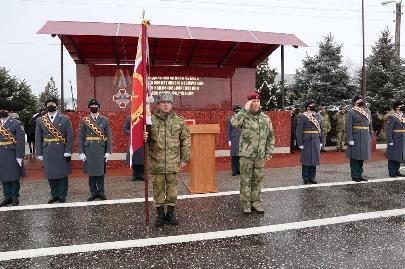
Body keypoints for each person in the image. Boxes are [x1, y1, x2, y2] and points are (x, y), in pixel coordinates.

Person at [145, 92, 191, 227]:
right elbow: (144, 140)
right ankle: (160, 215)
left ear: (172, 104)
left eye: (169, 102)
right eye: (163, 102)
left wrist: (184, 159)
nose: (166, 105)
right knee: (158, 189)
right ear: (158, 104)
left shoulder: (179, 121)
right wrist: (144, 136)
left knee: (172, 190)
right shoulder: (150, 120)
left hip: (173, 162)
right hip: (156, 162)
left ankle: (170, 214)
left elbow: (186, 140)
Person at [231, 92, 275, 214]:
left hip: (260, 155)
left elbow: (270, 136)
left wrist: (269, 151)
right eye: (253, 102)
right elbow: (234, 123)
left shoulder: (265, 118)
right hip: (246, 155)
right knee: (246, 179)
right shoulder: (244, 116)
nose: (256, 104)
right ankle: (246, 204)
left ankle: (256, 202)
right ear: (249, 103)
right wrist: (244, 110)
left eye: (257, 102)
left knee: (257, 180)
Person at [35, 96, 73, 203]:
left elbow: (70, 136)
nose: (51, 105)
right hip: (47, 150)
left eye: (53, 103)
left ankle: (62, 195)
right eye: (48, 103)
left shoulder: (65, 119)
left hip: (61, 149)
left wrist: (68, 151)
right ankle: (54, 195)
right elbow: (38, 137)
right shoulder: (40, 120)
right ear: (46, 106)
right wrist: (39, 152)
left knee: (62, 173)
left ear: (56, 105)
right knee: (50, 173)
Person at [78, 99, 112, 201]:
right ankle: (93, 192)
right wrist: (81, 152)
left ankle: (101, 192)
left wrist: (108, 151)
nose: (94, 107)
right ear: (89, 108)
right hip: (89, 150)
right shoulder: (85, 120)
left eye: (95, 106)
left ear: (99, 108)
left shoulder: (105, 120)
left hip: (101, 149)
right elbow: (81, 137)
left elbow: (108, 136)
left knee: (100, 172)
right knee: (91, 173)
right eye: (92, 106)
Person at [0, 98, 25, 206]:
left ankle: (15, 196)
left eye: (4, 109)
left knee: (14, 176)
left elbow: (20, 141)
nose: (2, 111)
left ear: (9, 111)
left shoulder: (17, 123)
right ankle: (7, 196)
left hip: (12, 153)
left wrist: (19, 156)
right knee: (3, 176)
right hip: (1, 153)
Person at [346, 95, 372, 182]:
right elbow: (348, 126)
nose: (361, 101)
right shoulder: (351, 112)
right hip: (356, 136)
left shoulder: (367, 111)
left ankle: (360, 174)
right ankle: (355, 176)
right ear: (354, 102)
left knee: (362, 157)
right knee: (354, 157)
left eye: (361, 100)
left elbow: (370, 125)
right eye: (358, 100)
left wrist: (370, 136)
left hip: (365, 136)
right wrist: (350, 139)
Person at [296, 100, 323, 184]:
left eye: (313, 105)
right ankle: (306, 178)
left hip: (316, 139)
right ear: (307, 106)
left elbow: (321, 129)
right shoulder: (303, 116)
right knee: (306, 160)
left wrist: (321, 141)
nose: (313, 106)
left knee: (314, 159)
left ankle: (312, 177)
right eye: (311, 105)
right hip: (306, 140)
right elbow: (299, 130)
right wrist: (300, 143)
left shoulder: (318, 115)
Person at [386, 100, 405, 177]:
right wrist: (390, 140)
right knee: (392, 155)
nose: (403, 106)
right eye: (401, 105)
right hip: (395, 138)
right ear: (397, 108)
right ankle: (392, 172)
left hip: (403, 138)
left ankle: (397, 170)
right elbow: (389, 130)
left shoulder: (403, 116)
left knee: (400, 155)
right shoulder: (392, 117)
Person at [123, 115, 145, 181]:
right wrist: (132, 133)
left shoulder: (144, 117)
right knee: (134, 158)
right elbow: (125, 129)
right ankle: (135, 174)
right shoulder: (129, 117)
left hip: (142, 140)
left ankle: (141, 174)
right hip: (133, 141)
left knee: (142, 157)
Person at [227, 104, 241, 176]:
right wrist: (229, 140)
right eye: (236, 110)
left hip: (240, 139)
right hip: (233, 139)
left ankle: (238, 170)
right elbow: (228, 130)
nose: (237, 112)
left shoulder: (242, 119)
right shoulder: (230, 119)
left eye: (238, 110)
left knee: (239, 155)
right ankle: (234, 171)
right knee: (233, 156)